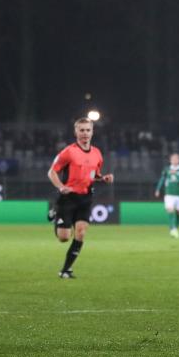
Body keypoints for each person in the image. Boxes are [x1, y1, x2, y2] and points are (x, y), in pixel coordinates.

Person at [47, 117, 114, 278]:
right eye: (81, 130)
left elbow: (93, 175)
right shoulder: (68, 152)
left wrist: (102, 178)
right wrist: (61, 187)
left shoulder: (97, 153)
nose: (85, 133)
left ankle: (66, 270)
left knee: (81, 233)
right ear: (76, 132)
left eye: (88, 130)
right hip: (68, 198)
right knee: (63, 238)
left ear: (92, 132)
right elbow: (52, 172)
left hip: (85, 198)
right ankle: (56, 212)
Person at [155, 153, 179, 238]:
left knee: (178, 213)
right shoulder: (166, 169)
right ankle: (173, 229)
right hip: (169, 194)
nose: (174, 160)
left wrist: (175, 174)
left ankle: (175, 229)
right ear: (170, 160)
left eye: (176, 159)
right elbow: (162, 179)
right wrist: (158, 189)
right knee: (171, 210)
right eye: (173, 159)